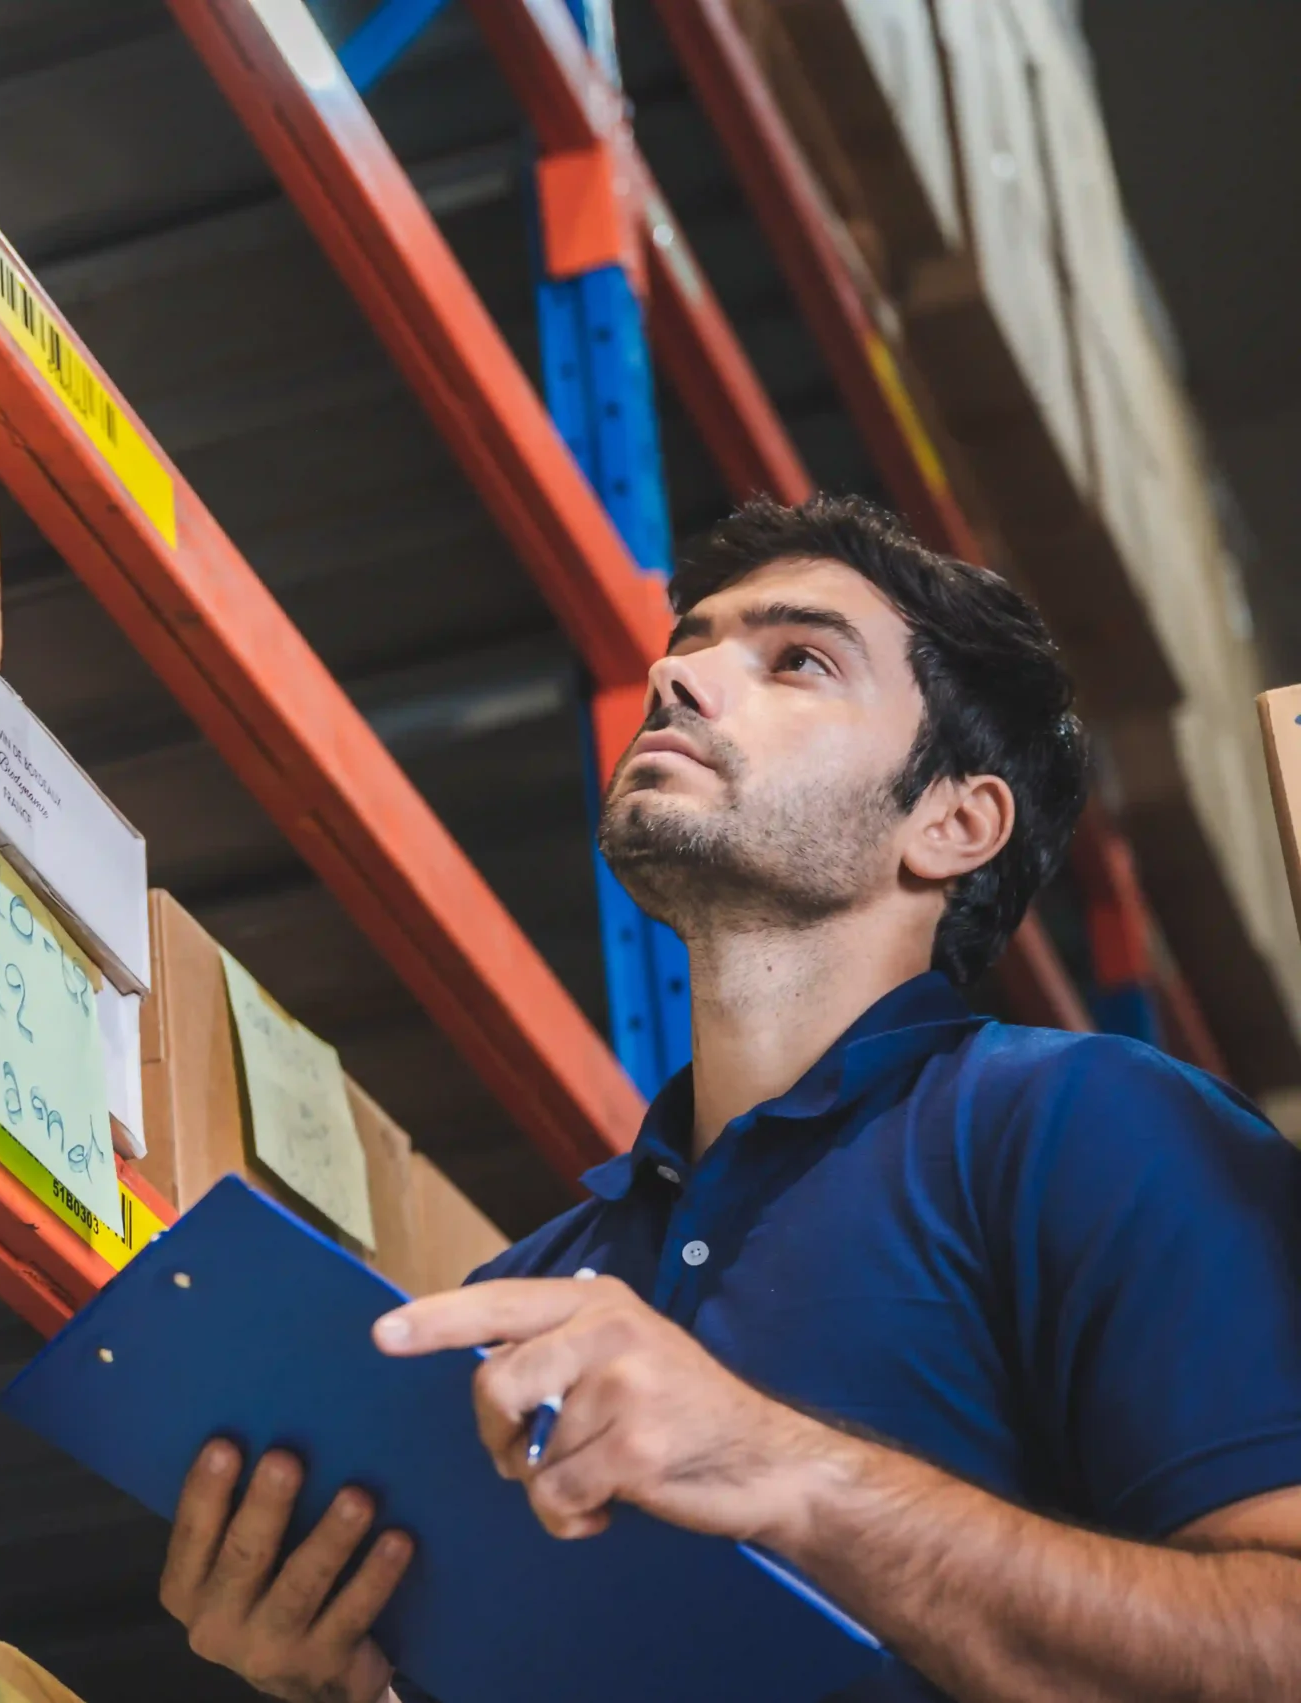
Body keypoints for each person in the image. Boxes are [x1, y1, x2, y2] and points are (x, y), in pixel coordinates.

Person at [156, 497, 1301, 1703]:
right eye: (688, 644)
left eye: (796, 659)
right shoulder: (530, 1297)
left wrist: (790, 1471)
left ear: (953, 822)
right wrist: (343, 1688)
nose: (676, 676)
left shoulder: (1086, 1126)